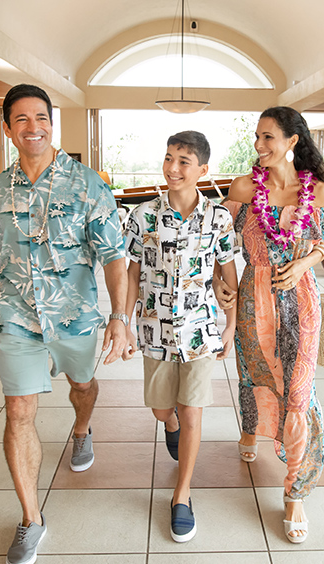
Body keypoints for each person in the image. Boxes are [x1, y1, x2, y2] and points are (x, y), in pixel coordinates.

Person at [0, 84, 128, 564]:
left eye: (40, 117)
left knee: (82, 385)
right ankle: (30, 518)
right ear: (8, 128)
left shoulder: (87, 183)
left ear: (51, 122)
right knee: (18, 411)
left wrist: (119, 318)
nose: (33, 127)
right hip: (17, 317)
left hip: (74, 314)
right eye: (21, 119)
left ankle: (82, 429)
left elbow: (114, 256)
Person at [216, 106, 324, 543]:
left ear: (292, 141)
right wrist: (219, 279)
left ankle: (295, 492)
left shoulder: (319, 191)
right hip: (254, 298)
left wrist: (303, 260)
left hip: (302, 300)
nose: (259, 146)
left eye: (269, 137)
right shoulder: (246, 187)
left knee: (299, 390)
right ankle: (250, 429)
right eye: (257, 137)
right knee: (255, 374)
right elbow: (215, 237)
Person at [123, 131, 238, 543]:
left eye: (183, 161)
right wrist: (122, 319)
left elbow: (228, 274)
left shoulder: (219, 218)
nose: (172, 168)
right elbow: (133, 271)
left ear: (203, 170)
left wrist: (230, 323)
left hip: (200, 331)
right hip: (154, 327)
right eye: (169, 158)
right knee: (161, 409)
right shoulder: (141, 216)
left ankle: (182, 494)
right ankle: (168, 422)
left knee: (193, 410)